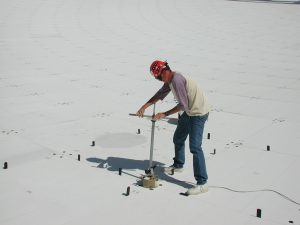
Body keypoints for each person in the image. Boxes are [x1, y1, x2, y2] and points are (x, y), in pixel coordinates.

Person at [136, 60, 210, 195]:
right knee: (178, 138)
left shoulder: (177, 81)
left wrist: (164, 114)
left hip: (198, 113)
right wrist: (143, 107)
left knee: (195, 147)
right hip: (189, 112)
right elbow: (159, 95)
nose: (159, 79)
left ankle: (202, 183)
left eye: (159, 77)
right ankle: (178, 165)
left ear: (164, 71)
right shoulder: (169, 81)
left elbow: (183, 105)